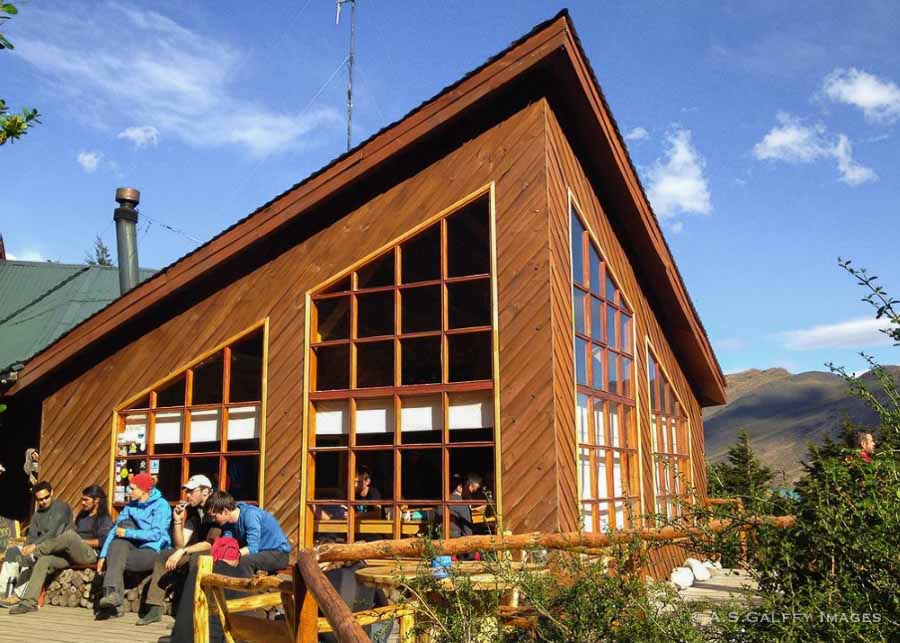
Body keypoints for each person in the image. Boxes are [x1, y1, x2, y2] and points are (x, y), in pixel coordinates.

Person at [167, 492, 291, 642]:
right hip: (257, 553)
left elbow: (252, 548)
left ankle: (243, 604)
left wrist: (232, 556)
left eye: (215, 516)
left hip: (276, 553)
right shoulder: (229, 524)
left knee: (245, 562)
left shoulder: (250, 515)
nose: (214, 519)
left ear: (225, 511)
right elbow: (223, 545)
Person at [9, 485, 113, 615]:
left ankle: (35, 553)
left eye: (86, 500)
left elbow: (104, 541)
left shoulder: (104, 519)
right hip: (72, 554)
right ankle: (28, 603)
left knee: (70, 536)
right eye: (82, 499)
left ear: (96, 500)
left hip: (90, 554)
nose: (82, 503)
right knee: (44, 561)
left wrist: (81, 542)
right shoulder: (82, 516)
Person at [135, 474, 219, 626]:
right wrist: (178, 520)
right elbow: (180, 544)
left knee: (195, 560)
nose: (187, 495)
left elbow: (211, 543)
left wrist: (182, 552)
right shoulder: (195, 512)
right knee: (163, 556)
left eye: (191, 491)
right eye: (187, 491)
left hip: (216, 555)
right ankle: (154, 608)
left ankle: (189, 615)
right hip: (195, 551)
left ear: (205, 492)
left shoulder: (216, 508)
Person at [96, 472, 171, 617]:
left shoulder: (161, 505)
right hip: (133, 548)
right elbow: (115, 530)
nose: (129, 492)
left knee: (116, 557)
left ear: (144, 490)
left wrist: (128, 534)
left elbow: (156, 534)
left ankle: (115, 606)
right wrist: (103, 555)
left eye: (132, 489)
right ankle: (113, 594)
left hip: (154, 550)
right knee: (117, 543)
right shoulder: (131, 506)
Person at [0, 481, 72, 604]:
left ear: (52, 493)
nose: (43, 501)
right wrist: (26, 546)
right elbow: (31, 536)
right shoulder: (37, 515)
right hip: (42, 548)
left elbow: (54, 532)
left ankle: (18, 596)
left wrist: (33, 546)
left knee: (31, 556)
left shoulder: (62, 508)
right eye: (40, 499)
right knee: (13, 552)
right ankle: (3, 592)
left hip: (60, 551)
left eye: (46, 497)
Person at [448, 473, 482, 539]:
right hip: (455, 542)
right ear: (459, 487)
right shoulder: (462, 505)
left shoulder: (440, 503)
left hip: (439, 540)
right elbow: (468, 533)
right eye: (467, 487)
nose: (469, 491)